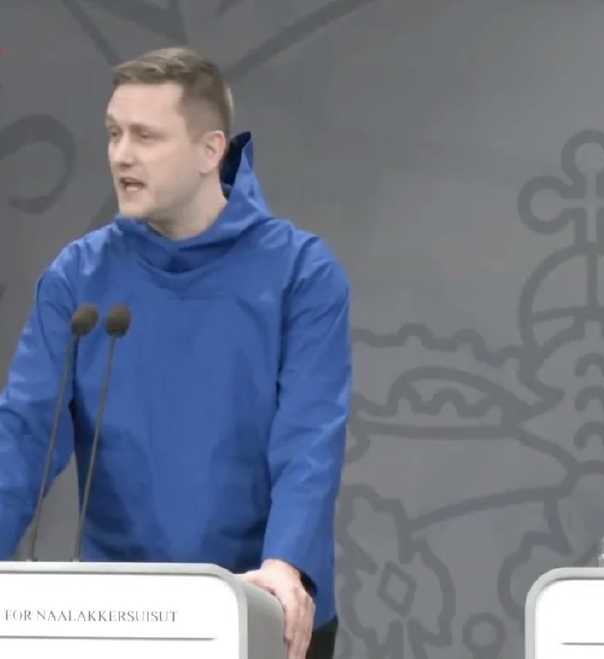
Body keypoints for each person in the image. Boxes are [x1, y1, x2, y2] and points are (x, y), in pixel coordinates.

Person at [0, 47, 350, 658]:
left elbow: (309, 440)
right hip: (114, 618)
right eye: (113, 133)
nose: (120, 155)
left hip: (261, 604)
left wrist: (286, 563)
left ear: (210, 151)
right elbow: (24, 434)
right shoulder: (77, 276)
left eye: (145, 136)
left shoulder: (301, 272)